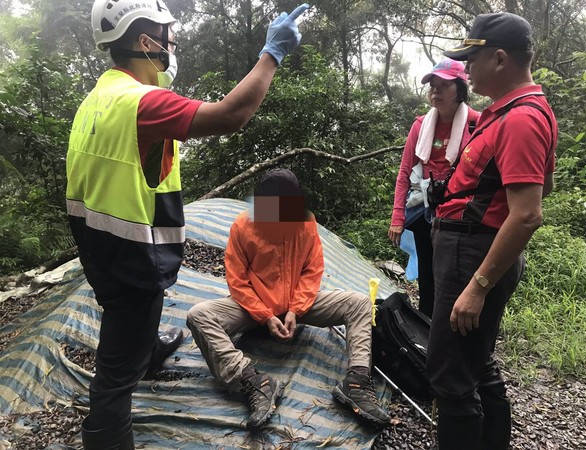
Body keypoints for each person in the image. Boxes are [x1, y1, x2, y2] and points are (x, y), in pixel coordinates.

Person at [66, 0, 309, 448]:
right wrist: (270, 53)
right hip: (132, 252)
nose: (172, 48)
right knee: (114, 381)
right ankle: (105, 430)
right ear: (145, 42)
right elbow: (230, 115)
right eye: (168, 39)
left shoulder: (96, 100)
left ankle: (150, 350)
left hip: (101, 247)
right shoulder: (139, 101)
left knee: (130, 318)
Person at [426, 12, 557, 450]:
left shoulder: (521, 119)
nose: (465, 70)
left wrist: (478, 285)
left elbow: (526, 214)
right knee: (475, 363)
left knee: (450, 377)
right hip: (469, 247)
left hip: (473, 253)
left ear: (500, 59)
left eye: (471, 60)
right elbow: (540, 186)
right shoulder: (509, 113)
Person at [186, 169, 391, 430]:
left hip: (298, 306)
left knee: (359, 302)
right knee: (199, 314)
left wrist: (295, 309)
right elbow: (237, 280)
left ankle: (357, 382)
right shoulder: (243, 226)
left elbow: (312, 270)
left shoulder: (306, 222)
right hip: (254, 309)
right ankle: (252, 381)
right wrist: (266, 316)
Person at [388, 59, 480, 317]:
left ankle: (454, 323)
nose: (435, 91)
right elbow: (405, 172)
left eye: (444, 85)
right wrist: (397, 217)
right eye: (433, 86)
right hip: (426, 211)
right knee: (428, 275)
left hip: (460, 215)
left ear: (460, 89)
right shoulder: (421, 125)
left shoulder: (478, 124)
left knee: (454, 274)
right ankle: (426, 330)